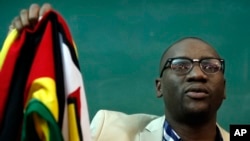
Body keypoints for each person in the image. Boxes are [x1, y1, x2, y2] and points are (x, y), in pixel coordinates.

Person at [9, 3, 229, 141]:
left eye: (210, 66)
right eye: (180, 66)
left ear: (224, 88)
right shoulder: (108, 130)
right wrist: (24, 62)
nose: (197, 74)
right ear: (159, 86)